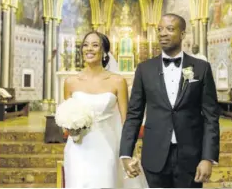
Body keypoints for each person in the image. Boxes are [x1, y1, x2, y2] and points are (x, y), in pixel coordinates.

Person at [120, 13, 220, 188]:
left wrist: (208, 158)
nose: (162, 33)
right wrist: (126, 154)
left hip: (191, 157)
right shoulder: (144, 69)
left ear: (182, 34)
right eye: (159, 29)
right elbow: (134, 114)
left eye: (169, 29)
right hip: (154, 155)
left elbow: (211, 117)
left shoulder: (201, 68)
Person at [63, 31, 147, 188]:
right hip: (77, 148)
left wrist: (130, 153)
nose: (89, 49)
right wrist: (71, 127)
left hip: (106, 146)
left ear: (104, 51)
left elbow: (126, 122)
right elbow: (66, 117)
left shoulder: (117, 81)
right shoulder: (70, 82)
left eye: (95, 45)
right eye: (86, 45)